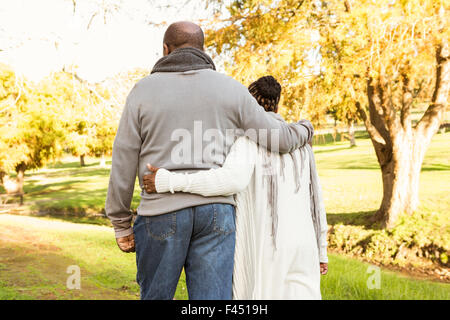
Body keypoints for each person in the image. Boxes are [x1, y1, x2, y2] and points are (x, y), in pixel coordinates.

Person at [105, 21, 314, 300]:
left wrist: (120, 222)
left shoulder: (142, 91)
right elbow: (280, 139)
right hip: (216, 213)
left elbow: (123, 158)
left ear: (165, 49)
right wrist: (305, 129)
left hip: (161, 213)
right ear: (203, 49)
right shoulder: (231, 89)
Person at [143, 76, 328, 299]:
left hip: (268, 248)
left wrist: (169, 181)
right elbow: (315, 199)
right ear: (277, 102)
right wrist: (322, 249)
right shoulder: (302, 145)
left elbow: (228, 181)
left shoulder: (249, 141)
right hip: (304, 246)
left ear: (247, 102)